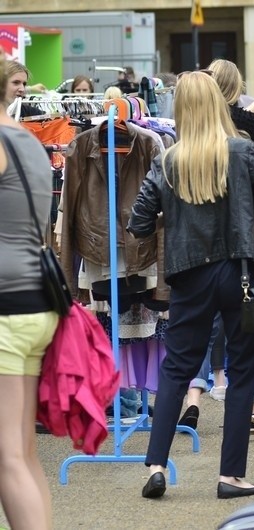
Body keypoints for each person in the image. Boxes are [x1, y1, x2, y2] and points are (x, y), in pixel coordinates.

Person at [128, 71, 254, 500]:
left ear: (179, 109)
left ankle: (157, 465)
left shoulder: (168, 161)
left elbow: (139, 224)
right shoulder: (244, 151)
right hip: (242, 272)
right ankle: (230, 476)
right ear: (218, 104)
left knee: (177, 367)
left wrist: (174, 216)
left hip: (189, 274)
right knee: (241, 370)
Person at [175, 59, 254, 433]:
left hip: (201, 241)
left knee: (202, 325)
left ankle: (193, 397)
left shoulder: (194, 129)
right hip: (244, 239)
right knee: (252, 321)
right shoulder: (248, 126)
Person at [0, 53, 60, 530]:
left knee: (9, 459)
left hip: (6, 309)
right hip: (34, 303)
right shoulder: (30, 145)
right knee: (22, 453)